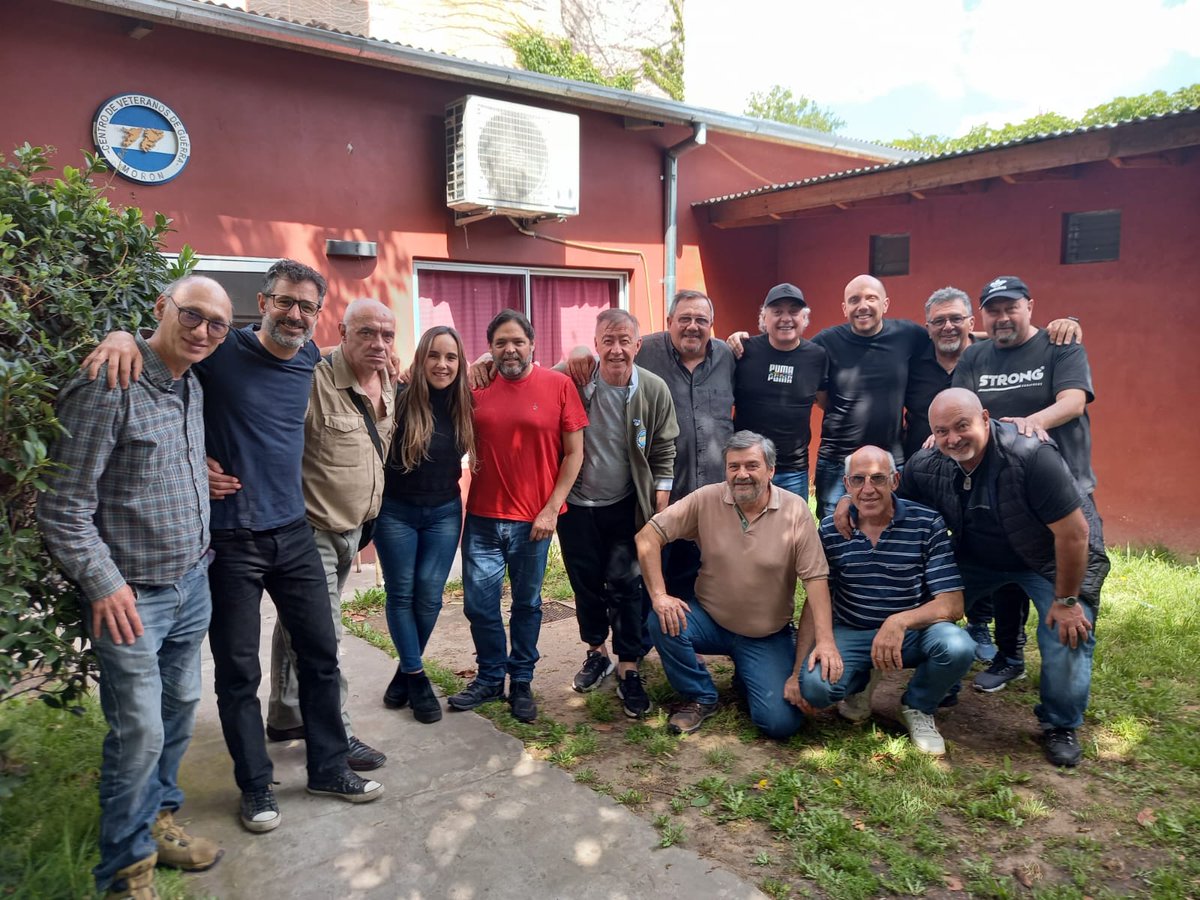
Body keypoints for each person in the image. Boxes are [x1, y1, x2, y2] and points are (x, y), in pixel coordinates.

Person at [85, 259, 384, 835]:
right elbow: (162, 361)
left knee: (320, 656)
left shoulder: (307, 360)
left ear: (316, 316)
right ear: (263, 303)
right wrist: (122, 335)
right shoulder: (219, 351)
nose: (294, 314)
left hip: (293, 530)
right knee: (238, 672)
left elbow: (367, 363)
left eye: (306, 306)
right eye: (284, 302)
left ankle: (327, 767)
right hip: (230, 542)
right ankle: (255, 785)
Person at [38, 277, 232, 898]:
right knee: (140, 729)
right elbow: (63, 504)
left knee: (177, 711)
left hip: (191, 582)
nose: (203, 331)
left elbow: (145, 465)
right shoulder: (110, 381)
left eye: (217, 324)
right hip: (131, 598)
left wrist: (197, 476)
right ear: (160, 309)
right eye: (192, 316)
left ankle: (157, 821)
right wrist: (102, 582)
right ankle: (125, 873)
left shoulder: (190, 386)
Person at [902, 388, 1110, 767]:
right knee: (920, 607)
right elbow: (899, 503)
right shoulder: (927, 462)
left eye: (962, 425)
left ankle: (1060, 723)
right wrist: (851, 501)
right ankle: (938, 680)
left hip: (1049, 558)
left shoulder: (1031, 456)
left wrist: (1066, 601)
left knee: (1068, 631)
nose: (953, 439)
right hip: (978, 557)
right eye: (942, 430)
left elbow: (1074, 534)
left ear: (984, 417)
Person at [636, 431, 841, 738]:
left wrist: (821, 645)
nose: (741, 474)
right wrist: (659, 595)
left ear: (771, 470)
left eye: (751, 465)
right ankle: (700, 695)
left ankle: (748, 675)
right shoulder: (707, 499)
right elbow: (647, 538)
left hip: (765, 634)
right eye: (734, 467)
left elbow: (815, 582)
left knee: (780, 724)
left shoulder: (795, 510)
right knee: (662, 619)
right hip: (710, 620)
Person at [953, 275, 1101, 692]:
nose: (1002, 317)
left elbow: (1073, 402)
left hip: (1062, 488)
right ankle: (1009, 656)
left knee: (1069, 587)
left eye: (1010, 308)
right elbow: (960, 409)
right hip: (998, 493)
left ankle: (1061, 715)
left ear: (1030, 306)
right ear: (982, 315)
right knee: (1006, 577)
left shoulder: (1060, 346)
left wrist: (1031, 424)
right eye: (993, 310)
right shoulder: (975, 357)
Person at [265, 298, 395, 769]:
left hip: (355, 532)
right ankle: (337, 734)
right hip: (309, 533)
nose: (378, 343)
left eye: (386, 335)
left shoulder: (389, 380)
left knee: (297, 627)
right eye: (366, 333)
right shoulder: (310, 377)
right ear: (341, 331)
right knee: (325, 637)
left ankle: (283, 716)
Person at [448, 309, 587, 722]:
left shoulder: (559, 386)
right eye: (500, 343)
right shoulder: (475, 388)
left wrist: (551, 509)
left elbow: (575, 453)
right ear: (489, 349)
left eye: (517, 342)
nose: (510, 349)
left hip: (534, 521)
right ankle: (491, 678)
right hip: (483, 519)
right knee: (479, 604)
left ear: (533, 346)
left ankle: (521, 681)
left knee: (527, 605)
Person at [799, 446, 975, 756]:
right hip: (852, 629)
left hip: (911, 633)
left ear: (895, 481)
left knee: (958, 646)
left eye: (878, 479)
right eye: (858, 480)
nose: (868, 489)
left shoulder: (926, 523)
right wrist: (802, 661)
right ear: (846, 484)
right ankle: (859, 683)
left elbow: (953, 603)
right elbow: (816, 597)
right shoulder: (830, 529)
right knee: (815, 688)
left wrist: (899, 621)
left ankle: (917, 706)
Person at [568, 290, 734, 603]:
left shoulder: (727, 356)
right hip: (658, 489)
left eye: (701, 320)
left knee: (695, 571)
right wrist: (576, 352)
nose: (692, 326)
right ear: (669, 321)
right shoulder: (645, 350)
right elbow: (608, 353)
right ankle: (643, 640)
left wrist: (741, 339)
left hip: (711, 489)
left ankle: (686, 639)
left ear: (713, 324)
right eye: (684, 319)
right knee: (648, 568)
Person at [557, 309, 678, 718]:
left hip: (627, 505)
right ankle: (597, 653)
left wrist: (659, 504)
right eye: (608, 340)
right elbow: (528, 376)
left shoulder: (654, 389)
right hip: (575, 506)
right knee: (586, 584)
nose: (616, 349)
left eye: (625, 340)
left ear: (638, 346)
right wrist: (484, 363)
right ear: (595, 344)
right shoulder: (573, 377)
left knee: (627, 585)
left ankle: (629, 666)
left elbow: (664, 448)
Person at [376, 325, 475, 724]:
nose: (442, 364)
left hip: (444, 513)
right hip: (396, 512)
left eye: (451, 357)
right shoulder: (397, 398)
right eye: (434, 355)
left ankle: (403, 672)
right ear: (420, 359)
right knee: (402, 593)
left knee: (431, 597)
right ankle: (417, 678)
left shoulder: (465, 402)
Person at [809, 275, 930, 519]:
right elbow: (795, 361)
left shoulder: (909, 335)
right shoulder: (826, 341)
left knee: (892, 535)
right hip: (837, 461)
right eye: (854, 300)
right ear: (845, 308)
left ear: (885, 304)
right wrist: (742, 340)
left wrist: (979, 339)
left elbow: (948, 338)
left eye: (871, 298)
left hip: (890, 461)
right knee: (835, 536)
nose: (862, 306)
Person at [731, 283, 827, 499]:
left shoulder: (817, 356)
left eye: (793, 311)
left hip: (793, 470)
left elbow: (824, 400)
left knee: (791, 531)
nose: (786, 318)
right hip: (746, 466)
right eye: (777, 312)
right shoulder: (743, 350)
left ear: (804, 318)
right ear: (764, 318)